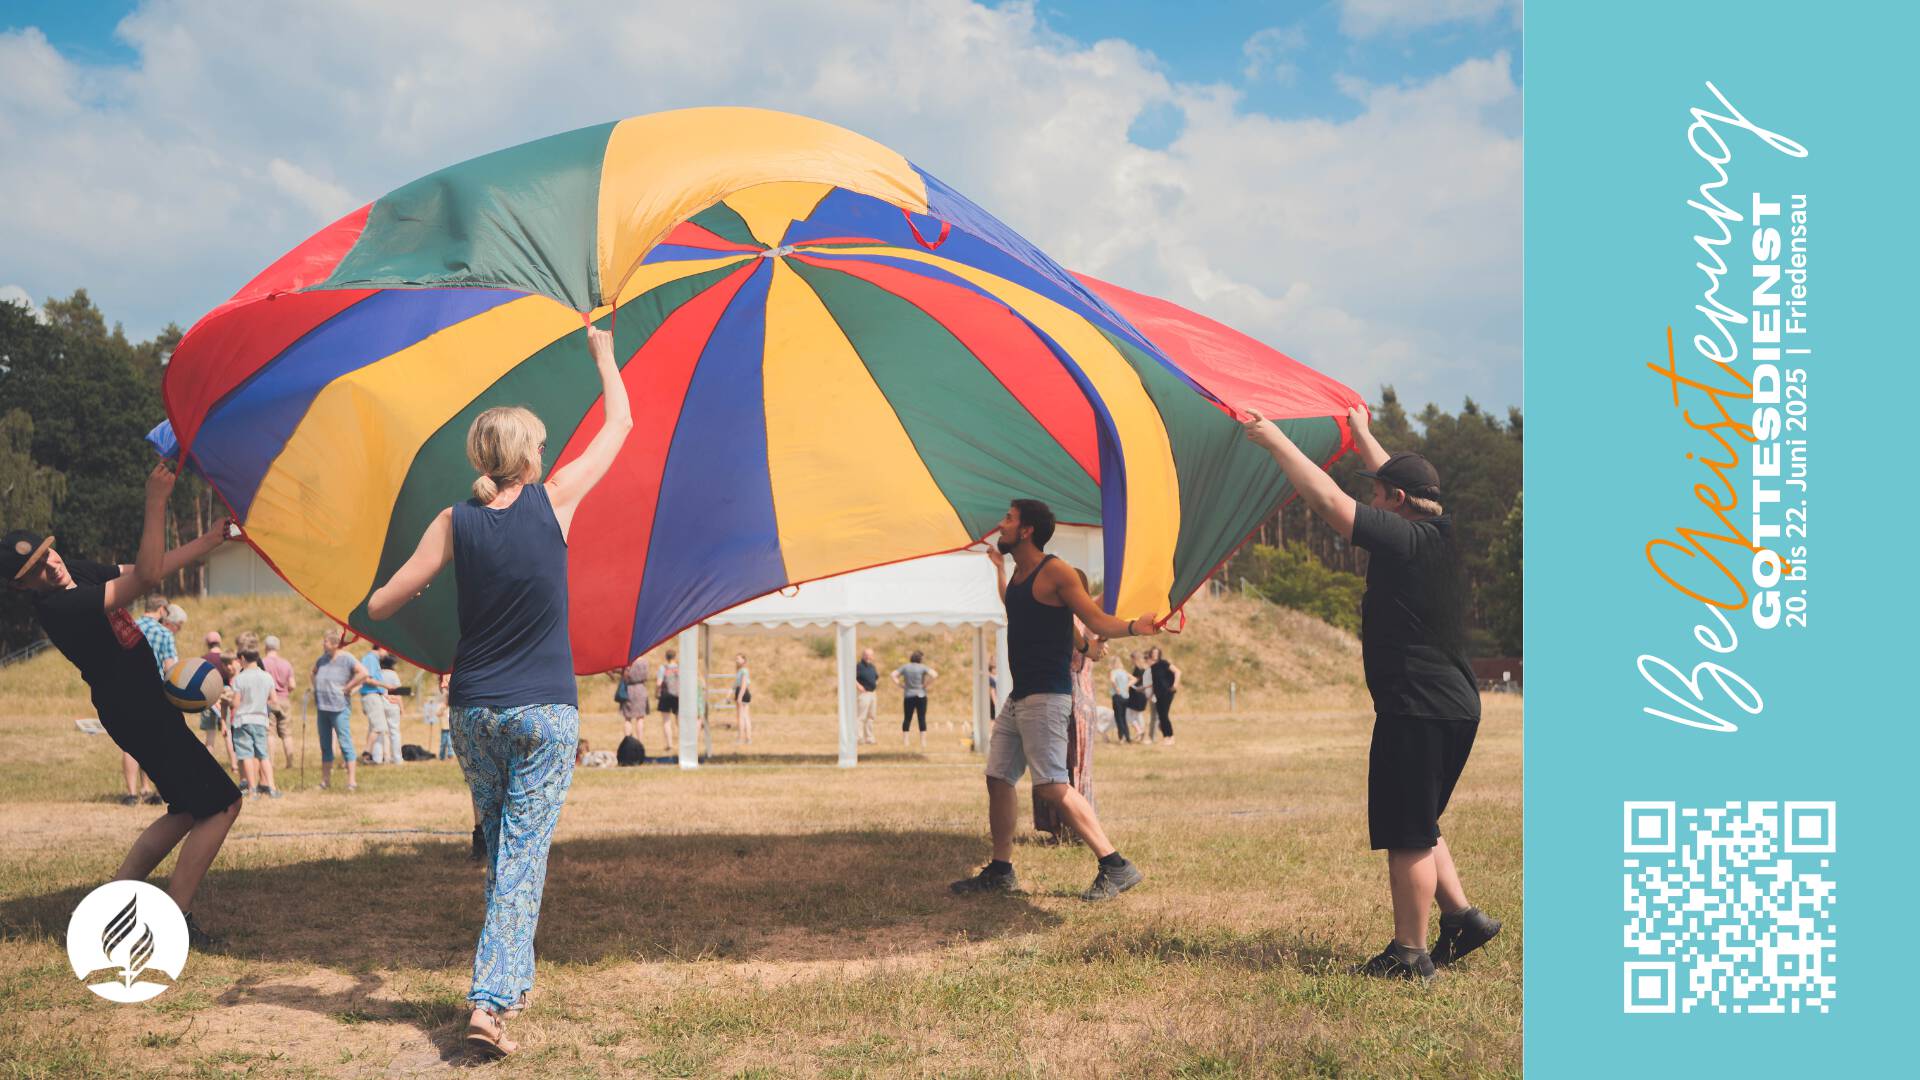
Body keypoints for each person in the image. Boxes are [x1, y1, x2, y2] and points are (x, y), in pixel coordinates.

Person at [368, 323, 631, 1057]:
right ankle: (489, 1004)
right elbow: (621, 424)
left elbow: (387, 600)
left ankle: (508, 981)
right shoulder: (556, 501)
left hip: (474, 713)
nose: (546, 455)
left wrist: (395, 603)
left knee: (504, 847)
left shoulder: (454, 521)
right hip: (544, 712)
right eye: (540, 446)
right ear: (526, 456)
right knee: (521, 857)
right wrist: (604, 356)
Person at [1243, 405, 1499, 982]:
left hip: (1417, 704)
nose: (1374, 505)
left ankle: (1408, 955)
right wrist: (1361, 434)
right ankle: (1462, 918)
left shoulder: (1405, 539)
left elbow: (1330, 504)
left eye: (1380, 497)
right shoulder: (1439, 530)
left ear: (1397, 503)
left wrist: (1274, 440)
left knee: (1407, 831)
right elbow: (1401, 481)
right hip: (1452, 702)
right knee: (1420, 816)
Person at [5, 462, 240, 944]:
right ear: (23, 587)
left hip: (139, 707)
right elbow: (148, 578)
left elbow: (144, 567)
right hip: (137, 711)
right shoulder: (59, 607)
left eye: (49, 553)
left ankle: (112, 902)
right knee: (223, 804)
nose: (51, 564)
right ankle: (174, 919)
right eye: (37, 570)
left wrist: (209, 542)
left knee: (184, 809)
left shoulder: (76, 575)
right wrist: (155, 501)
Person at [952, 499, 1158, 901]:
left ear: (1027, 530)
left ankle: (1115, 864)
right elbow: (1043, 619)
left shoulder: (1056, 571)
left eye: (1008, 519)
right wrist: (1083, 645)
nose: (1001, 524)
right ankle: (1001, 869)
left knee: (1051, 785)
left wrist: (1135, 627)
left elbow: (1095, 620)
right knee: (997, 778)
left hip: (1046, 696)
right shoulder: (1017, 575)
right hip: (1019, 696)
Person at [1034, 602, 1101, 841]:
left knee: (1072, 762)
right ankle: (1060, 826)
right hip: (1061, 694)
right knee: (1058, 763)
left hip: (1074, 696)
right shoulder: (1078, 621)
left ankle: (1077, 828)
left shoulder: (1087, 622)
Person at [124, 594, 178, 805]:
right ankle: (156, 790)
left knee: (129, 743)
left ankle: (131, 793)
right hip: (154, 693)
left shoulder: (127, 627)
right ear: (162, 609)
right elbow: (170, 668)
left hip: (127, 691)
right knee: (155, 742)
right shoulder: (164, 633)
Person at [311, 629, 367, 791]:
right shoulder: (322, 660)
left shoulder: (347, 659)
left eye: (326, 642)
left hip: (339, 707)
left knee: (345, 743)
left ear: (335, 644)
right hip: (322, 707)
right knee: (325, 745)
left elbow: (363, 673)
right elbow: (313, 673)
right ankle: (325, 781)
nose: (323, 644)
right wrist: (316, 687)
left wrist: (348, 687)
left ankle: (351, 781)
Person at [228, 635, 281, 798]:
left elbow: (235, 703)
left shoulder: (240, 679)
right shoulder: (267, 677)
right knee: (262, 754)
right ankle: (271, 787)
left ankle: (252, 789)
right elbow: (274, 700)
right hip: (261, 720)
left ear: (242, 658)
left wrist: (228, 701)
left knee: (246, 756)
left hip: (243, 720)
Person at [198, 630, 239, 777]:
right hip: (225, 697)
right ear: (219, 642)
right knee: (227, 732)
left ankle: (208, 766)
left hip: (208, 697)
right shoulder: (227, 658)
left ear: (207, 644)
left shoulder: (203, 659)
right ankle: (234, 766)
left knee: (210, 735)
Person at [261, 634, 297, 770]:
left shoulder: (262, 663)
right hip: (284, 700)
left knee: (270, 733)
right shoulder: (286, 663)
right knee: (286, 733)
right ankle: (290, 763)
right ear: (278, 647)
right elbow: (292, 685)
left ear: (265, 647)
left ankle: (271, 763)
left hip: (268, 701)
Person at [892, 651, 936, 749]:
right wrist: (926, 684)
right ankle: (923, 742)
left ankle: (906, 741)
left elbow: (893, 674)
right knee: (921, 718)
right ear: (920, 659)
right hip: (921, 694)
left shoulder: (905, 667)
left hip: (908, 695)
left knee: (907, 718)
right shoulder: (922, 667)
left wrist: (900, 684)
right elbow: (934, 674)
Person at [357, 644, 392, 765]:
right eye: (387, 649)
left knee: (374, 727)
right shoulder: (370, 659)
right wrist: (385, 686)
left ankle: (368, 755)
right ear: (381, 648)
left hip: (373, 695)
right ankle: (366, 754)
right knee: (379, 727)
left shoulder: (372, 659)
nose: (387, 653)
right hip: (371, 695)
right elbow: (367, 679)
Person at [612, 654, 650, 743]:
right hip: (641, 689)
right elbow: (646, 677)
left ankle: (627, 741)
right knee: (640, 718)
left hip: (628, 690)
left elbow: (623, 674)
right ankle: (640, 741)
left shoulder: (628, 662)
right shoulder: (644, 662)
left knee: (627, 718)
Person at [1147, 646, 1181, 745]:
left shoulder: (1164, 663)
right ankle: (1166, 737)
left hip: (1167, 693)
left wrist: (1175, 685)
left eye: (1156, 653)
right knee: (1161, 716)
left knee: (1164, 715)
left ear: (1159, 654)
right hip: (1158, 694)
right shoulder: (1152, 667)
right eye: (1153, 653)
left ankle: (1171, 737)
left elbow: (1178, 672)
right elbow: (1155, 682)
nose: (1154, 655)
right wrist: (1152, 694)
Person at [854, 647, 879, 745]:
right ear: (863, 655)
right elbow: (851, 677)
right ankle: (858, 738)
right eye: (866, 654)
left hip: (872, 693)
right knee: (861, 717)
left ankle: (869, 737)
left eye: (870, 655)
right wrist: (858, 686)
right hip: (863, 694)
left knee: (871, 716)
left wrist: (875, 683)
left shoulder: (872, 666)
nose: (868, 656)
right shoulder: (858, 666)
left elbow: (876, 677)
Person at [1108, 656, 1134, 744]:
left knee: (1118, 717)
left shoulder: (1113, 672)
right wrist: (1127, 685)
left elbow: (1112, 680)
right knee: (1123, 717)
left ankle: (1121, 737)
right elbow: (1134, 679)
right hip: (1126, 697)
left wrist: (1117, 688)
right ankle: (1128, 737)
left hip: (1117, 696)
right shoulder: (1124, 672)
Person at [1127, 651, 1150, 742]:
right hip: (1143, 695)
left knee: (1128, 715)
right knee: (1139, 715)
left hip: (1136, 695)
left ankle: (1139, 730)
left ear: (1134, 658)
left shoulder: (1137, 669)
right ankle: (1142, 736)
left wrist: (1127, 684)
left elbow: (1135, 680)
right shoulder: (1146, 669)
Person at [732, 653, 753, 745]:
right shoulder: (740, 671)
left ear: (743, 660)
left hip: (742, 693)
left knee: (741, 717)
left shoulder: (744, 671)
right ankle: (747, 738)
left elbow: (743, 684)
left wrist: (739, 697)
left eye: (738, 659)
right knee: (745, 716)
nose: (737, 660)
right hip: (741, 692)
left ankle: (741, 738)